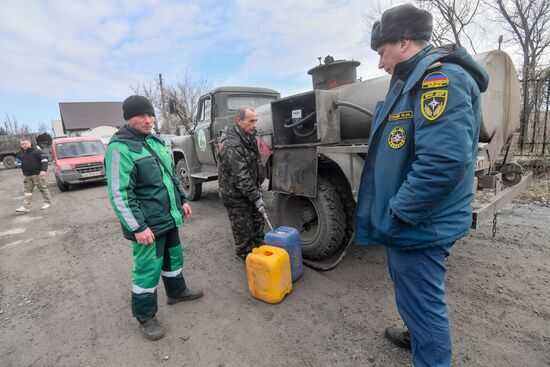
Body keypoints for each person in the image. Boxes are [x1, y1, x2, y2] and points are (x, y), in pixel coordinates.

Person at [354, 4, 489, 367]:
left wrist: (399, 212)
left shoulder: (439, 80)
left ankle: (428, 352)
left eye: (382, 53)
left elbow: (444, 162)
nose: (380, 63)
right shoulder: (410, 82)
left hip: (419, 225)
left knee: (425, 306)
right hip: (412, 225)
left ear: (403, 42)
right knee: (412, 294)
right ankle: (416, 333)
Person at [105, 95, 203, 341]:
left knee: (173, 257)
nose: (148, 120)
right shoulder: (119, 149)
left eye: (150, 115)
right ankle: (145, 316)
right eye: (141, 115)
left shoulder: (156, 141)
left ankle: (177, 292)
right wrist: (138, 227)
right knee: (148, 270)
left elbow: (170, 176)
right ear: (128, 118)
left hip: (168, 217)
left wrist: (182, 201)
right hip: (147, 226)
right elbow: (120, 194)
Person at [217, 106, 266, 259]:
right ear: (239, 121)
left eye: (256, 120)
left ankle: (261, 254)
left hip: (249, 190)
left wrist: (258, 187)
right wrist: (257, 197)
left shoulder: (249, 134)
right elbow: (241, 177)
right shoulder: (232, 145)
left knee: (258, 224)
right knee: (244, 232)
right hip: (235, 196)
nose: (255, 124)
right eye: (251, 121)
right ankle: (249, 260)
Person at [15, 139, 52, 213]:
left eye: (25, 143)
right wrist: (17, 163)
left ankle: (47, 202)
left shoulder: (37, 151)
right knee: (27, 191)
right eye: (22, 144)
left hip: (37, 174)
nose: (24, 145)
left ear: (29, 143)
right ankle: (26, 207)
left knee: (42, 188)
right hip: (27, 175)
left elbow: (44, 160)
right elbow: (18, 161)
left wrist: (43, 170)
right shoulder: (21, 153)